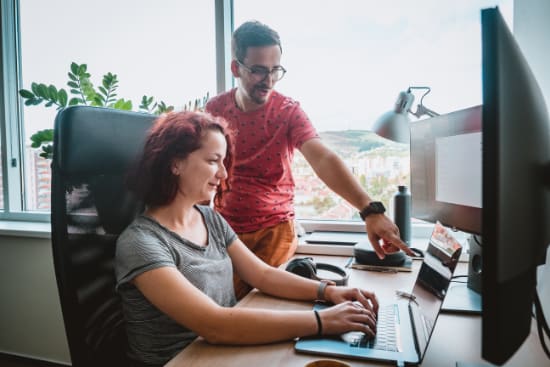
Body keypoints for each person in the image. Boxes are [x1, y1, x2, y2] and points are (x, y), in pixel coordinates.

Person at [115, 110, 379, 367]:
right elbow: (214, 324)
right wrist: (322, 322)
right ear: (175, 163)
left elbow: (262, 275)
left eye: (223, 162)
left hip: (223, 353)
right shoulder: (141, 243)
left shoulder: (210, 219)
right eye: (212, 161)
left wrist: (329, 291)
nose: (224, 174)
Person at [205, 20, 414, 299]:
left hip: (274, 232)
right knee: (221, 305)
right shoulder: (214, 109)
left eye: (275, 70)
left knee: (256, 305)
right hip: (224, 231)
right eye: (258, 71)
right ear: (236, 68)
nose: (268, 81)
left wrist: (370, 210)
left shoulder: (288, 111)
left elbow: (323, 157)